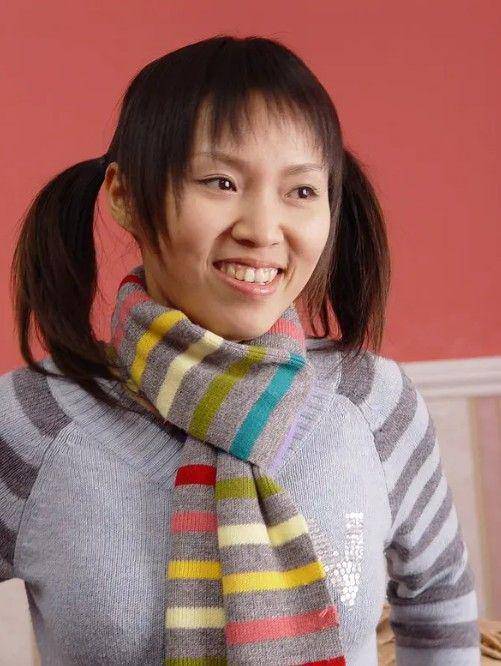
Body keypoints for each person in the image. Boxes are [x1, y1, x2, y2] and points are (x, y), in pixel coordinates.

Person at [0, 34, 480, 665]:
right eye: (220, 181)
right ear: (124, 195)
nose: (261, 229)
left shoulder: (372, 402)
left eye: (301, 191)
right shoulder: (33, 419)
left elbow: (440, 598)